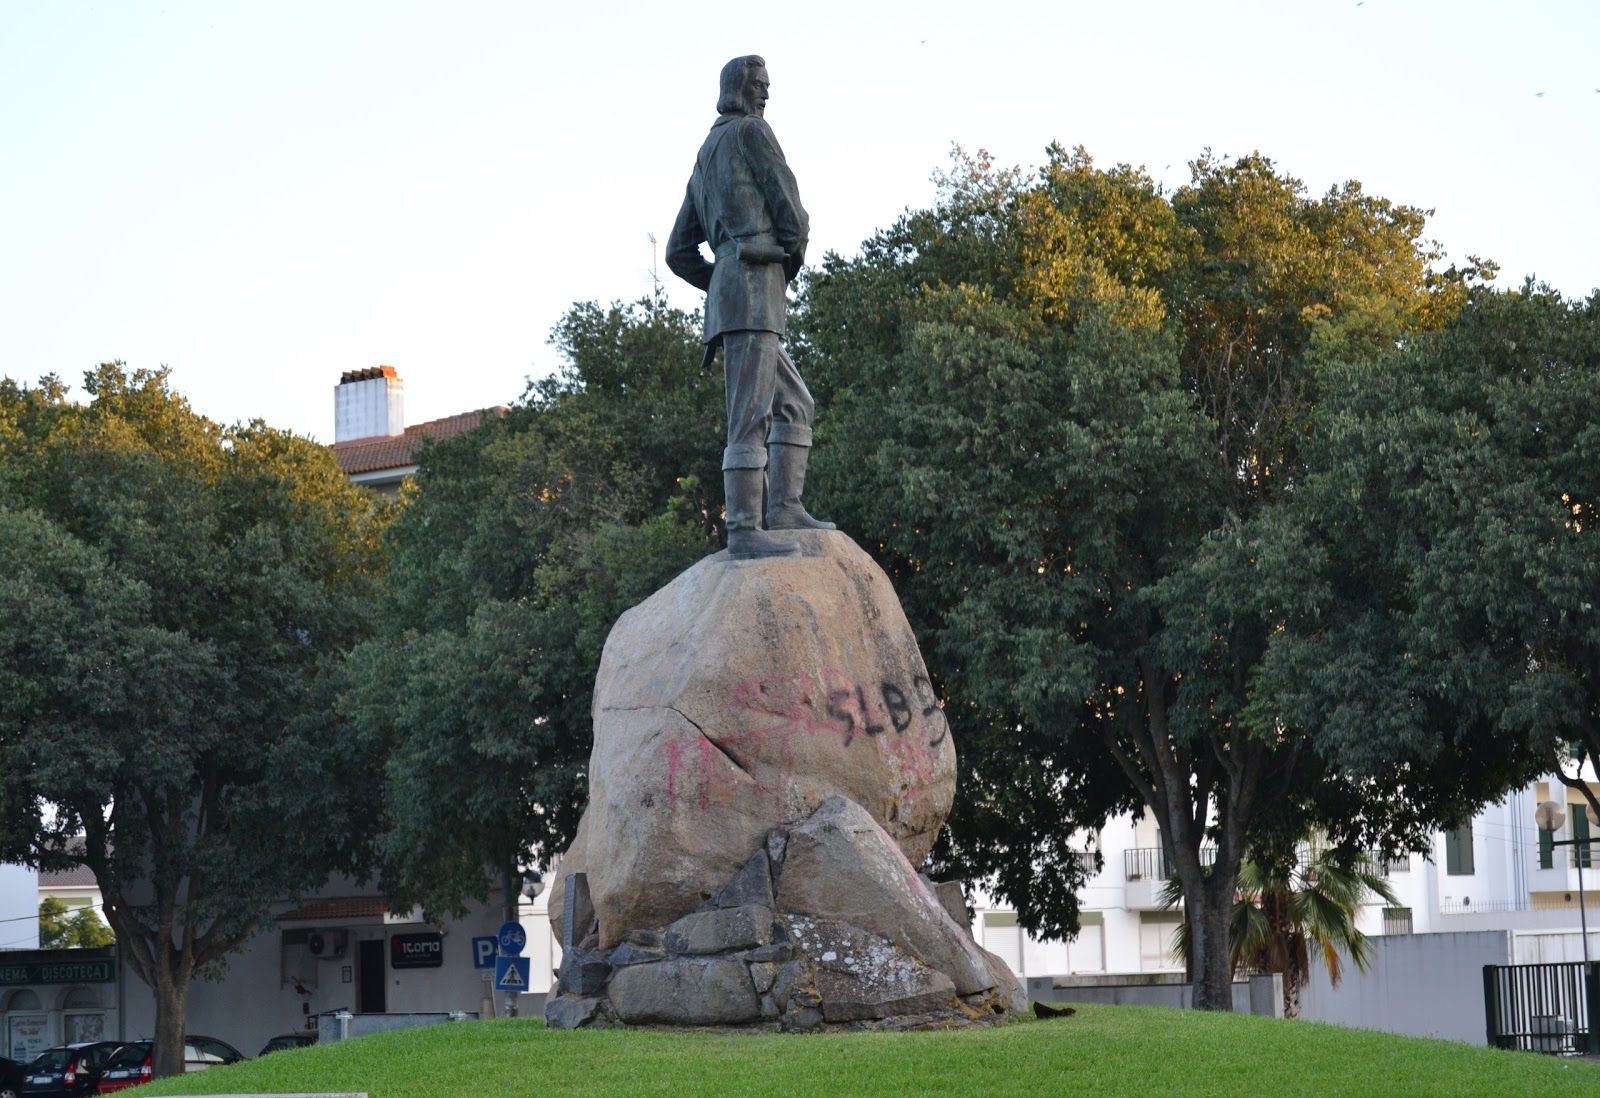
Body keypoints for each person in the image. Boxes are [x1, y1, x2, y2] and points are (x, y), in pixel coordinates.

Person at [667, 54, 833, 558]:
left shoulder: (704, 154)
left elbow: (679, 252)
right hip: (754, 293)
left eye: (767, 85)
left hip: (738, 294)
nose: (766, 93)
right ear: (737, 87)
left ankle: (783, 508)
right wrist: (784, 261)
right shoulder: (750, 134)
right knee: (750, 415)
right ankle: (743, 529)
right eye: (759, 84)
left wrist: (721, 279)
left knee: (795, 404)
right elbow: (790, 209)